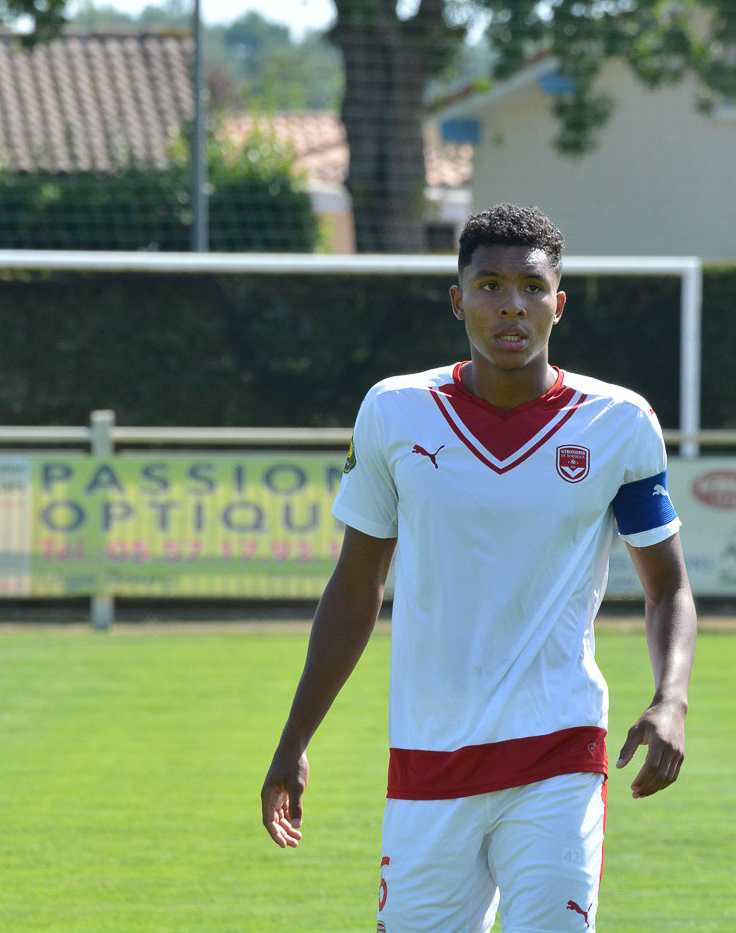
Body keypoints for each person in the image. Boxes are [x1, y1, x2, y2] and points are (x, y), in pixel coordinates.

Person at [260, 203, 697, 932]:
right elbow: (357, 585)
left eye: (531, 287)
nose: (511, 305)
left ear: (558, 304)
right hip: (428, 756)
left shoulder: (619, 422)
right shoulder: (394, 411)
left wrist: (671, 698)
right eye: (490, 286)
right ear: (458, 301)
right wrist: (294, 739)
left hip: (559, 751)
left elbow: (669, 587)